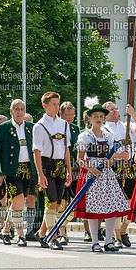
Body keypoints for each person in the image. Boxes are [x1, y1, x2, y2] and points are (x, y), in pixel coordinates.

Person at [74, 101, 130, 252]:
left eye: (101, 116)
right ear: (90, 119)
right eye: (95, 116)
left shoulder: (109, 136)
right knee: (94, 209)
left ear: (104, 119)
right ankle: (94, 241)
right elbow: (79, 159)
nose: (98, 119)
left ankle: (109, 241)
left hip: (106, 174)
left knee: (111, 207)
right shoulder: (84, 136)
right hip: (92, 174)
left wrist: (109, 160)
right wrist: (91, 168)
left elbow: (111, 159)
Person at [0, 100, 37, 247]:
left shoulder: (31, 127)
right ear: (11, 111)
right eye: (16, 109)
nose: (19, 112)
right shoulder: (3, 128)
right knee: (17, 201)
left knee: (19, 202)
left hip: (29, 170)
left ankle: (5, 230)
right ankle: (21, 234)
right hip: (12, 170)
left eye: (22, 109)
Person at [32, 92, 72, 250]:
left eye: (58, 104)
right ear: (45, 105)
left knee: (56, 204)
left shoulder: (64, 124)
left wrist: (69, 170)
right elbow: (36, 152)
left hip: (61, 165)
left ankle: (41, 233)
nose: (57, 107)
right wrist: (40, 175)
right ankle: (52, 237)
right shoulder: (39, 126)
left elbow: (67, 149)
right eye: (54, 104)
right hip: (47, 165)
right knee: (51, 201)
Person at [102, 101, 136, 248]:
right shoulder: (105, 129)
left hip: (129, 166)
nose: (115, 111)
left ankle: (124, 229)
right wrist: (119, 156)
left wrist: (133, 114)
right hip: (114, 167)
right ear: (106, 114)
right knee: (116, 202)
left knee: (131, 201)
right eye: (112, 110)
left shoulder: (126, 125)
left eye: (116, 109)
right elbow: (105, 153)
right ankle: (116, 235)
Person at [56, 101, 80, 246]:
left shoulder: (76, 129)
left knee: (74, 202)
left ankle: (60, 226)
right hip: (59, 167)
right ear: (61, 114)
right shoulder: (57, 126)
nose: (69, 118)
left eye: (72, 115)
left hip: (75, 168)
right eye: (66, 115)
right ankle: (61, 232)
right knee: (61, 202)